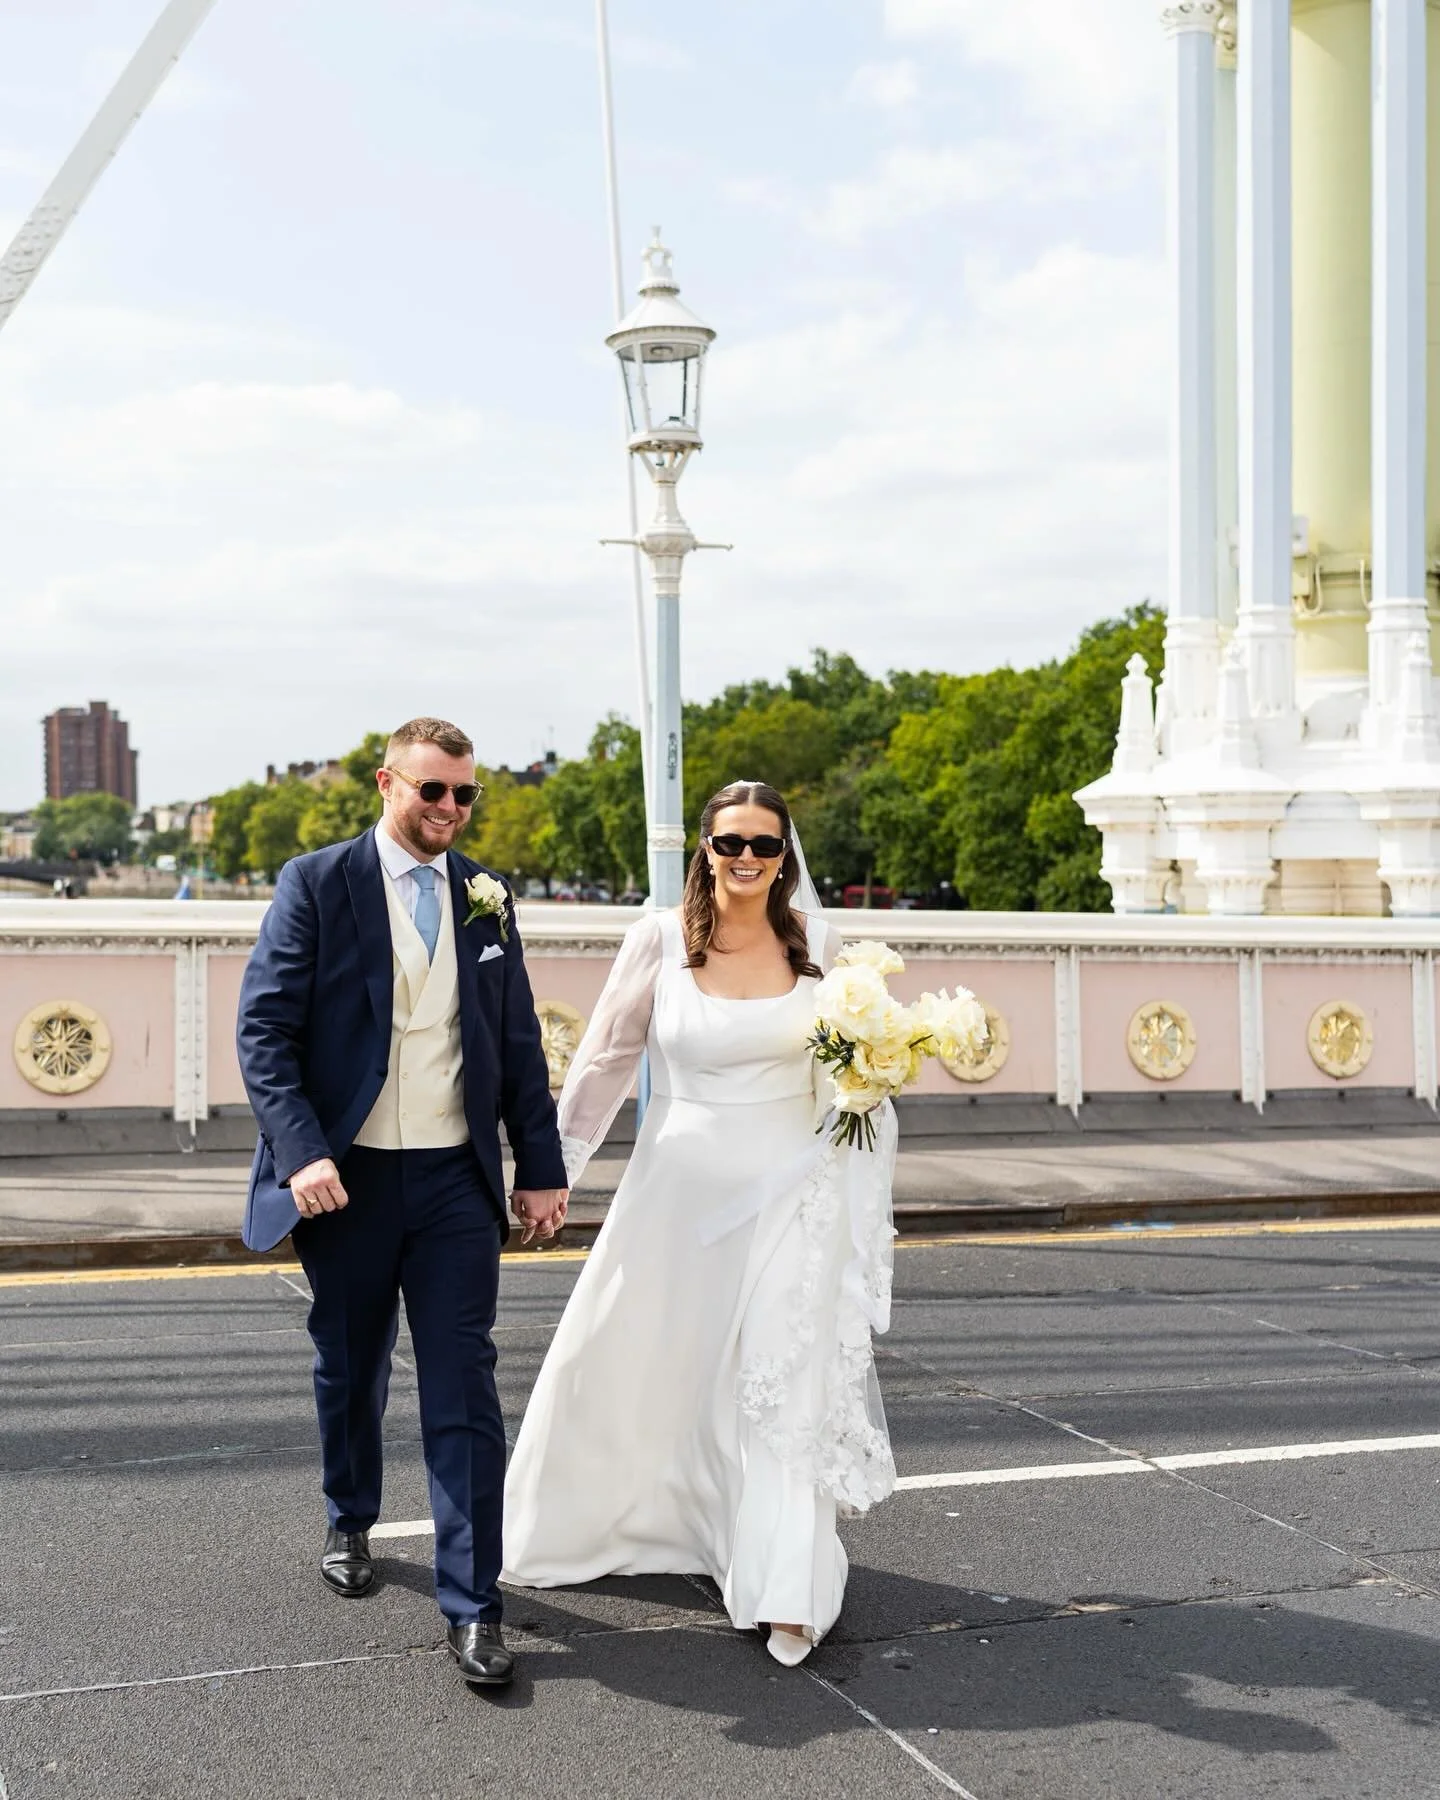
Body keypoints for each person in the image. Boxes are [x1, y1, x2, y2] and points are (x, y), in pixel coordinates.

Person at [502, 779, 897, 1666]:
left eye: (765, 844)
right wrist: (552, 1174)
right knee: (635, 1356)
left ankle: (786, 1585)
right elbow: (604, 1061)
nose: (748, 860)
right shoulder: (659, 941)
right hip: (673, 1198)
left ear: (786, 853)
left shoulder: (827, 948)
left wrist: (872, 1085)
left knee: (780, 1382)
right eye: (731, 844)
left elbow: (855, 1078)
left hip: (794, 1199)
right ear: (706, 851)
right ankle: (634, 1519)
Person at [235, 717, 568, 1689]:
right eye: (432, 791)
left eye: (464, 795)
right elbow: (265, 1034)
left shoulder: (485, 897)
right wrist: (301, 1156)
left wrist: (538, 1168)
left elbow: (514, 1043)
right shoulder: (317, 884)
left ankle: (475, 1606)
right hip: (349, 1181)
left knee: (463, 1384)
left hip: (454, 1183)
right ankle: (349, 1515)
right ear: (387, 784)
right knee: (351, 1365)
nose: (450, 811)